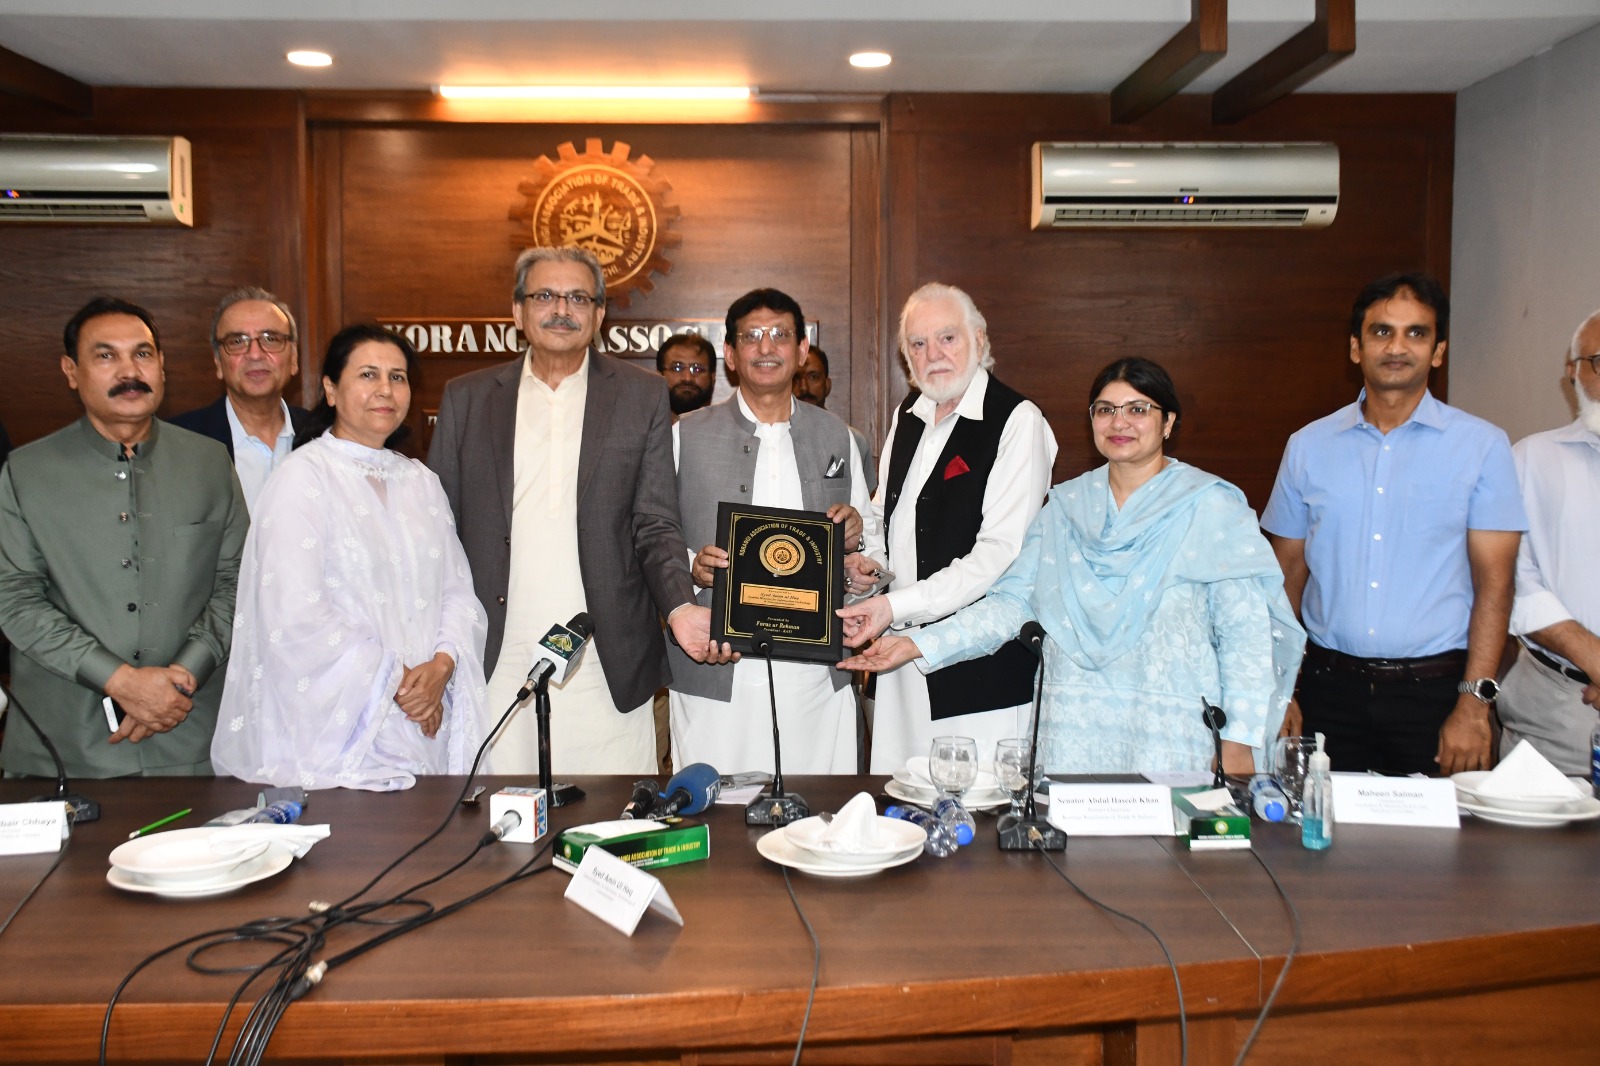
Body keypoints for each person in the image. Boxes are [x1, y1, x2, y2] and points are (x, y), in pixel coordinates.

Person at [840, 358, 1303, 775]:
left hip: (1172, 737)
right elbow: (1011, 605)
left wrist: (1238, 740)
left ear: (1168, 423)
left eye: (1138, 409)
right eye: (1105, 409)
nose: (1119, 422)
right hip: (1075, 735)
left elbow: (1245, 635)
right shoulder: (1065, 509)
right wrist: (916, 644)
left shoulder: (1212, 509)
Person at [428, 246, 725, 776]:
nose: (561, 309)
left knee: (607, 810)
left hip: (605, 649)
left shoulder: (641, 395)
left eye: (578, 298)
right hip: (495, 648)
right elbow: (439, 532)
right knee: (503, 808)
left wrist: (681, 607)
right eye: (544, 295)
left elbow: (654, 523)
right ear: (517, 311)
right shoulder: (467, 398)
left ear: (599, 313)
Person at [1261, 273, 1526, 776]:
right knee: (1318, 825)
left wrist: (1474, 706)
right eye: (1382, 332)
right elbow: (1284, 578)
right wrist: (1280, 689)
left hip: (1437, 698)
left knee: (1440, 830)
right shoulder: (1308, 446)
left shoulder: (1483, 447)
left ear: (1438, 351)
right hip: (1326, 691)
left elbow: (1496, 584)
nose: (1397, 347)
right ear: (1356, 348)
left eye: (1416, 333)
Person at [211, 326, 487, 790]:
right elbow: (294, 614)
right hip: (342, 731)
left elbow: (457, 593)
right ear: (331, 389)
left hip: (427, 721)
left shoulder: (422, 482)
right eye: (368, 374)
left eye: (397, 377)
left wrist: (441, 668)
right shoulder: (302, 478)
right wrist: (399, 683)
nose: (386, 389)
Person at [0, 296, 246, 778]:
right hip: (65, 748)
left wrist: (184, 676)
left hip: (193, 734)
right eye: (106, 355)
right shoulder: (25, 472)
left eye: (143, 353)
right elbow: (15, 598)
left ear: (162, 365)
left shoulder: (210, 463)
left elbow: (238, 580)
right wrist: (119, 681)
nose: (129, 371)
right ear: (71, 371)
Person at [836, 284, 1057, 772]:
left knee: (975, 809)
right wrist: (869, 568)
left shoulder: (1018, 421)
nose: (933, 354)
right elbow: (884, 518)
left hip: (980, 672)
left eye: (948, 338)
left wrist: (892, 605)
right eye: (918, 343)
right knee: (902, 804)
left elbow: (999, 555)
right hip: (898, 663)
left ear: (980, 339)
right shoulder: (908, 415)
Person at [670, 289, 878, 774]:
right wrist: (692, 566)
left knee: (817, 810)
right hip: (716, 670)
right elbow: (653, 537)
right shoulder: (683, 435)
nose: (766, 348)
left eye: (780, 335)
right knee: (716, 810)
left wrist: (858, 545)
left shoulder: (840, 436)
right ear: (730, 354)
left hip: (816, 679)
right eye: (752, 336)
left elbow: (872, 542)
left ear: (802, 350)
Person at [1496, 310, 1600, 774]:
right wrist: (1592, 655)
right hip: (1558, 711)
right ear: (1572, 371)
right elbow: (1509, 577)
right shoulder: (1530, 460)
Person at [169, 287, 310, 511]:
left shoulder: (325, 434)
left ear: (293, 358)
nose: (255, 354)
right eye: (237, 342)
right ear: (218, 362)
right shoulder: (177, 443)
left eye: (270, 339)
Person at [793, 344, 876, 494]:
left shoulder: (851, 440)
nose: (804, 387)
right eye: (796, 378)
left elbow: (868, 502)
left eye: (813, 377)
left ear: (827, 385)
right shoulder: (776, 439)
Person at [657, 331, 716, 418]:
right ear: (659, 375)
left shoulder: (727, 426)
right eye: (677, 368)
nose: (687, 378)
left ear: (712, 377)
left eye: (697, 369)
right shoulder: (640, 425)